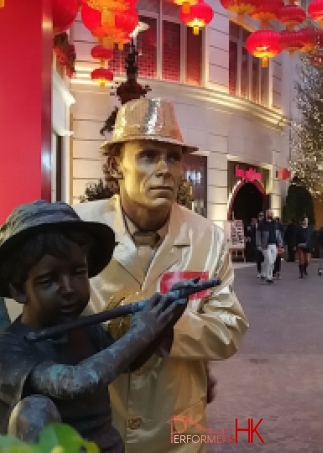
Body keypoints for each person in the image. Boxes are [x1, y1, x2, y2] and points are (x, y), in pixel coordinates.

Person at [74, 98, 248, 453]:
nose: (165, 169)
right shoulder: (76, 231)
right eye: (148, 156)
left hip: (177, 430)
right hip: (91, 425)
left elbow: (229, 327)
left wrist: (163, 330)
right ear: (115, 166)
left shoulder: (206, 237)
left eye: (173, 157)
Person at [0, 200, 193, 451]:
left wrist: (166, 315)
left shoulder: (84, 328)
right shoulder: (9, 349)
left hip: (104, 446)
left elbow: (127, 361)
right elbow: (78, 382)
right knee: (34, 408)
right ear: (18, 289)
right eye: (49, 280)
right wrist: (141, 332)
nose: (68, 289)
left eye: (78, 272)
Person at [256, 209, 283, 284]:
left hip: (274, 244)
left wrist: (280, 243)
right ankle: (269, 277)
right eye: (269, 213)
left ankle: (264, 272)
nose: (270, 215)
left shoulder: (275, 224)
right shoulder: (262, 224)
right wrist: (258, 244)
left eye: (271, 213)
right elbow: (258, 235)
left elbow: (278, 234)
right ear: (266, 214)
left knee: (272, 261)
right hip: (265, 245)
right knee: (269, 260)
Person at [255, 212, 265, 278]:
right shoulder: (256, 224)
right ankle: (259, 271)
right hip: (258, 243)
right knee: (259, 259)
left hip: (264, 243)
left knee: (264, 258)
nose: (261, 217)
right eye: (260, 216)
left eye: (262, 216)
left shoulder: (265, 224)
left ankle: (263, 271)